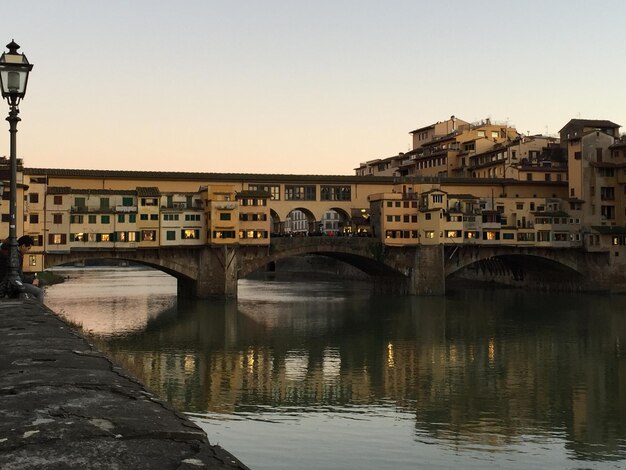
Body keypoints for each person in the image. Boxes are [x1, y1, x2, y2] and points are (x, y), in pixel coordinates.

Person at [0, 235, 44, 303]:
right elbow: (19, 277)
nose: (28, 251)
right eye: (28, 248)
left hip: (7, 283)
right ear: (23, 246)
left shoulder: (9, 252)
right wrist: (32, 279)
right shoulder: (16, 256)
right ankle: (41, 312)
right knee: (39, 292)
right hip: (10, 285)